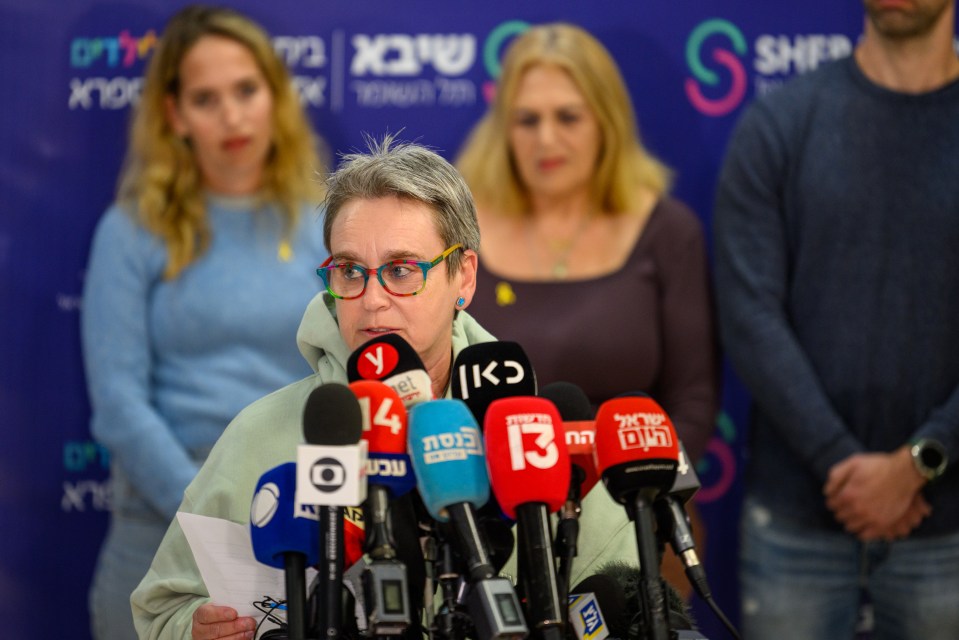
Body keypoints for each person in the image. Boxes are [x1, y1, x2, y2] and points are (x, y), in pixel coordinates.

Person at [131, 137, 652, 639]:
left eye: (402, 270)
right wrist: (195, 630)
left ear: (463, 277)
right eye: (350, 270)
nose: (372, 299)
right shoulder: (260, 432)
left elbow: (625, 602)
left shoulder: (533, 430)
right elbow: (163, 607)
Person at [81, 6, 329, 638]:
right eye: (205, 98)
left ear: (275, 95)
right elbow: (118, 402)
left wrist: (279, 512)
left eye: (247, 90)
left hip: (306, 520)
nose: (233, 116)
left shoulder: (324, 223)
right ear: (174, 115)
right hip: (164, 533)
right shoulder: (132, 229)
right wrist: (216, 516)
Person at [713, 0, 959, 637]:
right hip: (797, 519)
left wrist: (919, 463)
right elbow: (750, 314)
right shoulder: (781, 123)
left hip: (949, 526)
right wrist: (841, 463)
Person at [456, 23, 718, 596]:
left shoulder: (667, 231)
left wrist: (633, 499)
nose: (547, 139)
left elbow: (693, 397)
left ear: (607, 122)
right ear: (504, 128)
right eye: (527, 120)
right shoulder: (458, 232)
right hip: (487, 528)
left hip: (638, 519)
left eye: (568, 117)